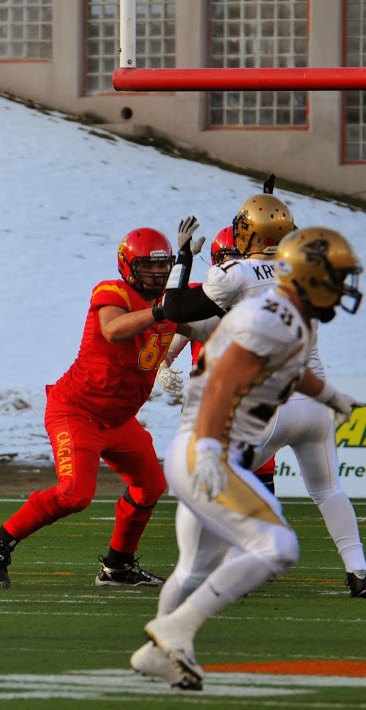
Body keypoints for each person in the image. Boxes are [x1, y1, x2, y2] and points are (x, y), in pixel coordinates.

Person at [131, 227, 363, 690]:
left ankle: (160, 654)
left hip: (203, 448)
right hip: (208, 450)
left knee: (194, 569)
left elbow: (293, 372)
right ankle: (174, 631)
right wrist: (214, 450)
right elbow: (223, 381)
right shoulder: (272, 317)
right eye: (334, 278)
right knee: (278, 547)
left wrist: (334, 398)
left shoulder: (290, 317)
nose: (341, 289)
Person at [0, 219, 202, 589]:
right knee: (75, 495)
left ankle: (118, 566)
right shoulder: (113, 292)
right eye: (148, 267)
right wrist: (164, 312)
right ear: (129, 267)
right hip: (76, 411)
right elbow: (113, 329)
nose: (157, 275)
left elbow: (203, 325)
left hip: (119, 420)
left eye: (162, 267)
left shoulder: (167, 301)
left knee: (151, 485)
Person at [161, 193, 366, 594]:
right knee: (328, 490)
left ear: (247, 232)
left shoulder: (233, 274)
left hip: (270, 407)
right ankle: (358, 570)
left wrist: (182, 257)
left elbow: (173, 307)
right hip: (314, 404)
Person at [156, 226, 278, 494]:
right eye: (227, 257)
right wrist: (162, 365)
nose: (234, 264)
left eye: (239, 256)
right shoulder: (204, 297)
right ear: (215, 261)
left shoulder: (264, 298)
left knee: (259, 483)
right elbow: (174, 328)